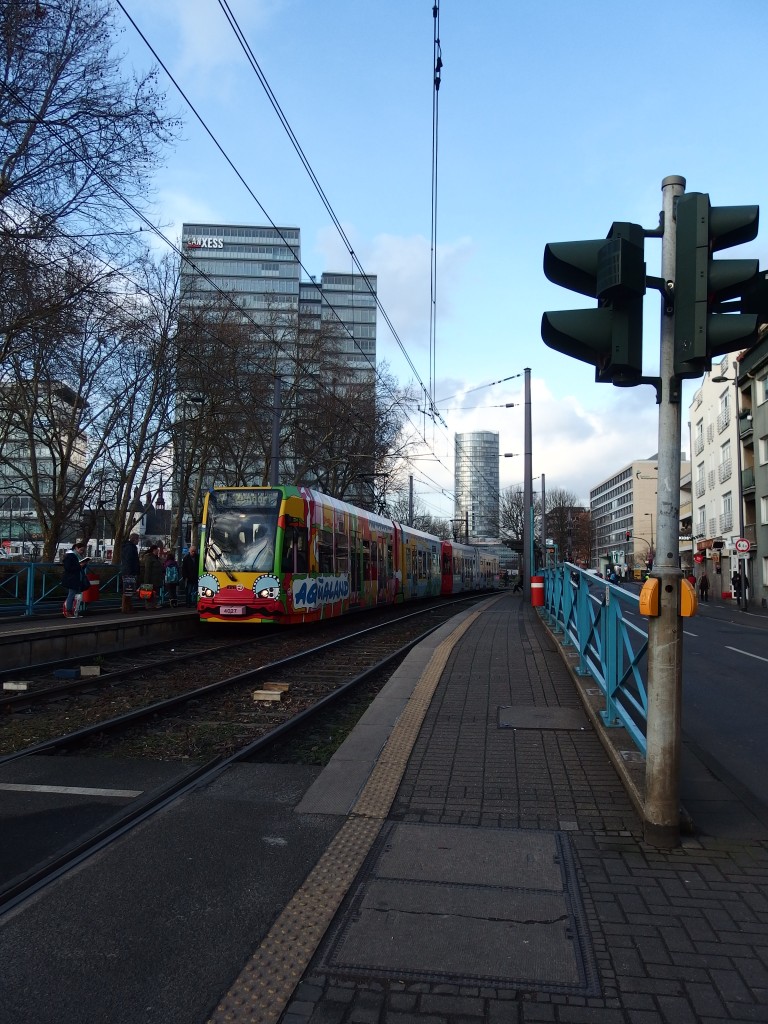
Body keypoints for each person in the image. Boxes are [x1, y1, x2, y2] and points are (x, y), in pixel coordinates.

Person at [62, 540, 89, 618]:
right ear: (76, 548)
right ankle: (68, 611)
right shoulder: (70, 556)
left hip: (76, 578)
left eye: (83, 551)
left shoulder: (76, 556)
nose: (82, 552)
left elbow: (79, 568)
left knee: (76, 595)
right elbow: (68, 568)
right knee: (72, 594)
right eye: (81, 550)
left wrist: (83, 565)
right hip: (72, 578)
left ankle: (74, 611)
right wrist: (80, 566)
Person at [120, 532, 140, 613]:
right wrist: (131, 572)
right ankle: (126, 608)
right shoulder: (131, 548)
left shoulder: (127, 547)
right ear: (134, 539)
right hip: (129, 572)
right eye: (138, 539)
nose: (138, 541)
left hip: (127, 571)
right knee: (128, 590)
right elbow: (129, 560)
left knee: (129, 590)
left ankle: (128, 607)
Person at [140, 544, 164, 609]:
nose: (158, 551)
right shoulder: (149, 558)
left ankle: (154, 605)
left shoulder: (156, 558)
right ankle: (149, 606)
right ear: (154, 550)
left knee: (155, 593)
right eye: (157, 550)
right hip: (152, 578)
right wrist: (146, 581)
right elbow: (147, 570)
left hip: (157, 578)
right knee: (149, 592)